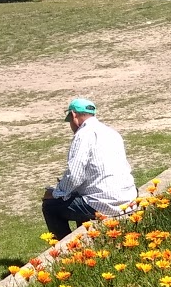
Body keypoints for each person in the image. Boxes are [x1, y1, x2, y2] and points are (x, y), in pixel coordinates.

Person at [42, 98, 137, 240]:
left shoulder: (83, 135)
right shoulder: (112, 132)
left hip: (105, 203)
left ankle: (64, 251)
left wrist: (56, 193)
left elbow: (75, 176)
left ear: (74, 115)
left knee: (51, 206)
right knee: (77, 198)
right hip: (128, 196)